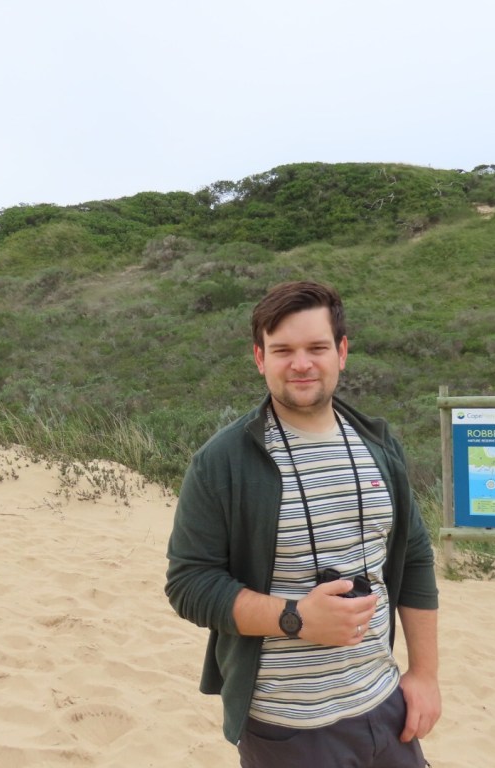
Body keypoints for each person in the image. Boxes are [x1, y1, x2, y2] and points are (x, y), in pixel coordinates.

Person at [165, 280, 440, 767]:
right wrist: (295, 618)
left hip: (385, 705)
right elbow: (189, 584)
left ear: (342, 352)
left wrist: (424, 674)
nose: (301, 364)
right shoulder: (222, 461)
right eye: (283, 350)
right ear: (260, 358)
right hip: (287, 728)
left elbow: (415, 556)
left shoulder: (379, 444)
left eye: (316, 348)